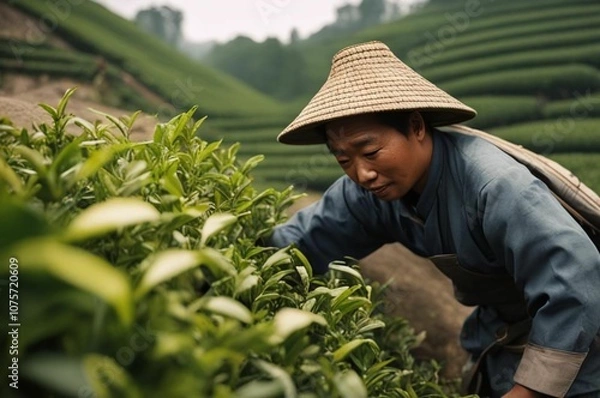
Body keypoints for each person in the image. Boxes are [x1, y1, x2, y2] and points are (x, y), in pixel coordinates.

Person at [268, 41, 600, 397]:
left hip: (579, 348)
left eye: (370, 151)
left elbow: (575, 283)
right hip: (499, 339)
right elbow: (304, 241)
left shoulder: (495, 186)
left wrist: (528, 391)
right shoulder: (370, 193)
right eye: (343, 159)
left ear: (416, 126)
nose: (362, 173)